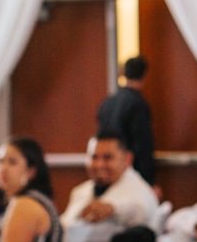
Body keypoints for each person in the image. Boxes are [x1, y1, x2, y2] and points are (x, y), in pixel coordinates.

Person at [61, 132, 159, 229]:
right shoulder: (79, 191)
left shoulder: (140, 191)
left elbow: (140, 211)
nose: (99, 165)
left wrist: (112, 209)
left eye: (107, 158)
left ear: (127, 159)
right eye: (94, 157)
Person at [96, 55, 157, 187]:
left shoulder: (107, 102)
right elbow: (143, 146)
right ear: (144, 75)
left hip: (106, 173)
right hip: (131, 175)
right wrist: (149, 182)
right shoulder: (138, 104)